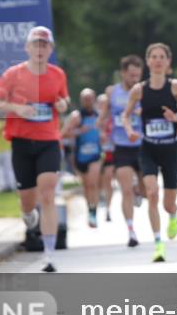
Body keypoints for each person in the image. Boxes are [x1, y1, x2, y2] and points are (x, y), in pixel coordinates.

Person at [0, 26, 69, 273]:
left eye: (45, 45)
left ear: (50, 49)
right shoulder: (13, 74)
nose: (40, 49)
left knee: (47, 193)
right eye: (36, 44)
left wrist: (63, 104)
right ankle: (27, 213)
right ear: (28, 48)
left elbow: (64, 100)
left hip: (48, 142)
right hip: (22, 143)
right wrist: (16, 109)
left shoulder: (57, 75)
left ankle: (49, 254)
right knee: (27, 200)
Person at [122, 43, 177, 263]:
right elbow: (126, 116)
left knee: (167, 203)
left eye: (161, 57)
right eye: (153, 57)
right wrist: (130, 131)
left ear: (168, 62)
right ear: (148, 62)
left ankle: (173, 214)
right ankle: (158, 244)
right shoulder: (139, 90)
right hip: (148, 148)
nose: (157, 60)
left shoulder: (175, 87)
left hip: (170, 149)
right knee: (152, 192)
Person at [99, 55, 145, 247]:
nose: (134, 78)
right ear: (123, 73)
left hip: (143, 145)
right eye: (131, 75)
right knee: (125, 190)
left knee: (147, 190)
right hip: (121, 146)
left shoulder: (144, 90)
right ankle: (131, 231)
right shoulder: (112, 91)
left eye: (137, 75)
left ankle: (139, 190)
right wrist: (101, 126)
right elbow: (105, 114)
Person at [62, 88, 103, 228]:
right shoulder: (76, 116)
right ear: (81, 100)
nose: (88, 101)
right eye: (85, 99)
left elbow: (105, 132)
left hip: (95, 155)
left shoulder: (99, 115)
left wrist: (104, 137)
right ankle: (89, 208)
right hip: (80, 156)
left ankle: (94, 212)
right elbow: (63, 134)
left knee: (93, 184)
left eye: (90, 98)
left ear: (94, 99)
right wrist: (79, 131)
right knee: (86, 186)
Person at [96, 93, 115, 222]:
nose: (103, 107)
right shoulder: (94, 117)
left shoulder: (113, 118)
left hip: (110, 152)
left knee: (108, 178)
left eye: (105, 104)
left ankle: (108, 209)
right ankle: (99, 200)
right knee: (97, 181)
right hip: (95, 154)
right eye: (101, 104)